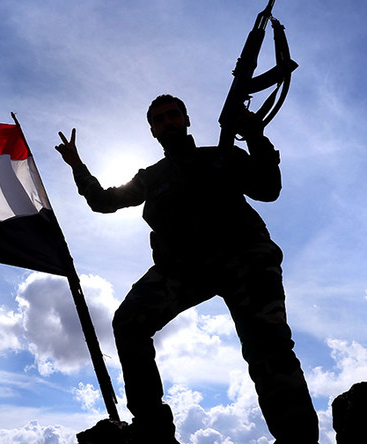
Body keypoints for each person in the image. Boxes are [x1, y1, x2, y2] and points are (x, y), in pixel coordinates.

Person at [55, 94, 319, 443]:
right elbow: (103, 201)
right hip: (184, 268)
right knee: (129, 322)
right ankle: (152, 429)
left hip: (245, 258)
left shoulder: (223, 156)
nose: (167, 122)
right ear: (153, 131)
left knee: (268, 347)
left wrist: (255, 135)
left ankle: (297, 438)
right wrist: (77, 165)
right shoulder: (151, 177)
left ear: (187, 119)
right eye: (160, 119)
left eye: (173, 115)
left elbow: (268, 188)